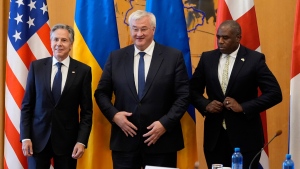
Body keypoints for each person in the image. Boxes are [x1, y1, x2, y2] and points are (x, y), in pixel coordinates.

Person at [94, 10, 189, 169]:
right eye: (135, 29)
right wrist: (114, 115)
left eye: (143, 29)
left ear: (153, 29)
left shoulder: (173, 57)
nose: (139, 33)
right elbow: (101, 93)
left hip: (162, 142)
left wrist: (165, 123)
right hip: (124, 142)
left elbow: (183, 96)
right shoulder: (116, 57)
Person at [190, 20, 282, 169]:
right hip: (215, 139)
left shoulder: (254, 59)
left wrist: (243, 107)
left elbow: (275, 93)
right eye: (218, 37)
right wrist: (206, 104)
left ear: (238, 37)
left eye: (225, 38)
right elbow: (192, 90)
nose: (220, 41)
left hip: (246, 138)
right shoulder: (207, 58)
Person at [20, 24, 93, 169]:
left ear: (71, 44)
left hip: (68, 143)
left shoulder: (83, 71)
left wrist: (81, 141)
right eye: (56, 39)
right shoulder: (36, 67)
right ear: (51, 42)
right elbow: (27, 105)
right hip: (37, 141)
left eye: (64, 40)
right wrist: (25, 137)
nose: (59, 44)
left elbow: (86, 112)